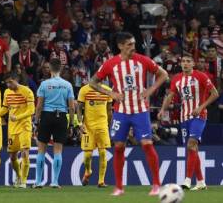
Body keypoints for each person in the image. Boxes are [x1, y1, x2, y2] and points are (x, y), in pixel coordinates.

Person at [89, 32, 168, 196]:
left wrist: (151, 89)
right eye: (129, 45)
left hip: (140, 110)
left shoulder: (142, 60)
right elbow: (93, 82)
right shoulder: (111, 64)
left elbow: (163, 74)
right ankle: (119, 187)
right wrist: (111, 94)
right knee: (118, 147)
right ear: (120, 46)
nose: (133, 47)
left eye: (133, 44)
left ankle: (156, 185)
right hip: (121, 112)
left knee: (147, 144)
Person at [158, 53, 218, 191]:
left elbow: (215, 93)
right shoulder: (177, 79)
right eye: (183, 61)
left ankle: (187, 180)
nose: (185, 63)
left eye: (188, 61)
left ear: (193, 64)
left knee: (192, 144)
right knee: (192, 148)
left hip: (199, 115)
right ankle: (201, 182)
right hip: (184, 117)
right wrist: (162, 110)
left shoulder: (201, 76)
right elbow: (170, 96)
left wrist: (201, 107)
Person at [34, 58, 76, 188]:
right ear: (61, 69)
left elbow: (39, 106)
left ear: (50, 69)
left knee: (41, 150)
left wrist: (36, 122)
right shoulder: (67, 85)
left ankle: (38, 182)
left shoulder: (44, 84)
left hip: (46, 116)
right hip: (61, 116)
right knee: (58, 151)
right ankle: (55, 182)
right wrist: (71, 124)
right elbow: (72, 107)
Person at [0, 72, 35, 188]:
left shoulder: (27, 91)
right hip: (12, 128)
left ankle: (24, 182)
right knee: (12, 156)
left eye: (10, 82)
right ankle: (18, 175)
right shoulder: (7, 92)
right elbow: (5, 108)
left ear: (16, 79)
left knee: (25, 153)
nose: (8, 85)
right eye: (6, 82)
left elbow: (31, 111)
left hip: (24, 126)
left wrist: (18, 117)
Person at [77, 83, 112, 188]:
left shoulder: (107, 90)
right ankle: (88, 171)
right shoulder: (84, 90)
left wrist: (108, 126)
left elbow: (109, 110)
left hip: (102, 126)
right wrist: (80, 123)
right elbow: (79, 108)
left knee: (103, 152)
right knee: (87, 155)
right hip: (88, 127)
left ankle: (101, 181)